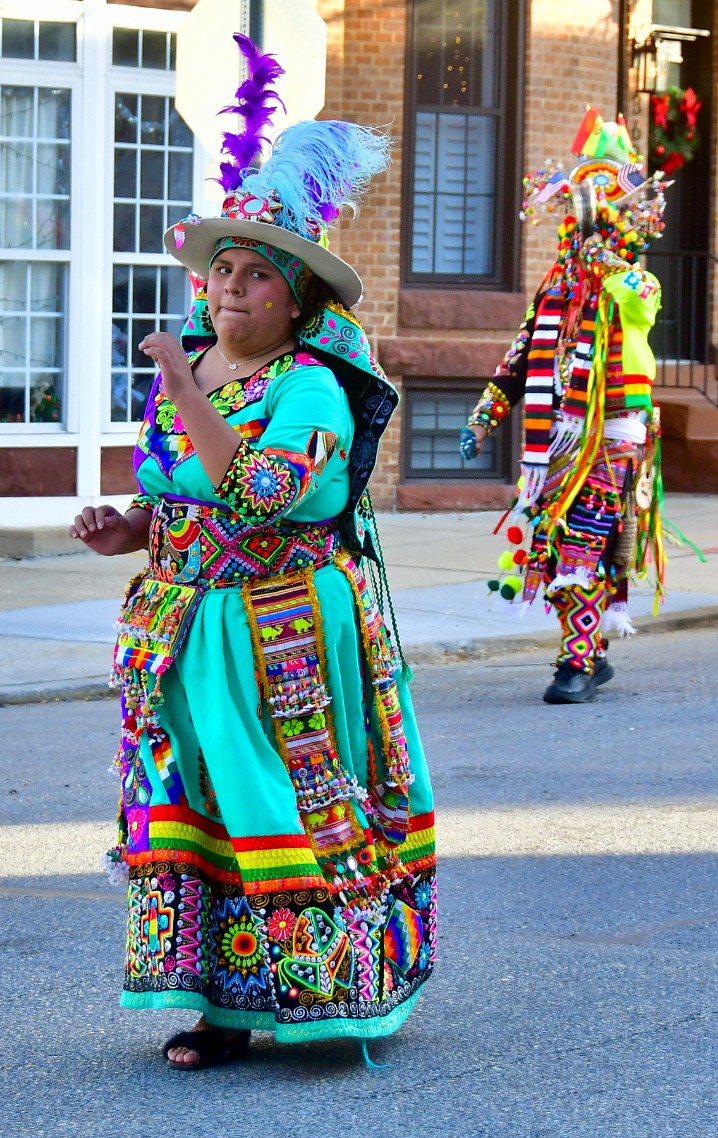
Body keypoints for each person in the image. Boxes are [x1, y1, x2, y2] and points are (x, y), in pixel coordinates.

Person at [70, 36, 435, 1070]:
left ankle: (322, 997)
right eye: (220, 270)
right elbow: (175, 494)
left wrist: (184, 388)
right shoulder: (191, 370)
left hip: (275, 622)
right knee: (188, 799)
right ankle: (219, 1006)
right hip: (181, 620)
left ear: (296, 301)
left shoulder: (306, 388)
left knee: (276, 795)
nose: (229, 290)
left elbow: (266, 492)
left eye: (255, 277)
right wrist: (128, 530)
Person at [460, 108, 670, 705]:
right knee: (554, 553)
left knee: (582, 542)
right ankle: (592, 654)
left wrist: (610, 268)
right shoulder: (552, 295)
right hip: (555, 443)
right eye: (577, 237)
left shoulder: (636, 284)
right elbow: (519, 358)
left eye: (595, 234)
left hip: (614, 436)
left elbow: (639, 306)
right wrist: (483, 417)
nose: (583, 245)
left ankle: (573, 666)